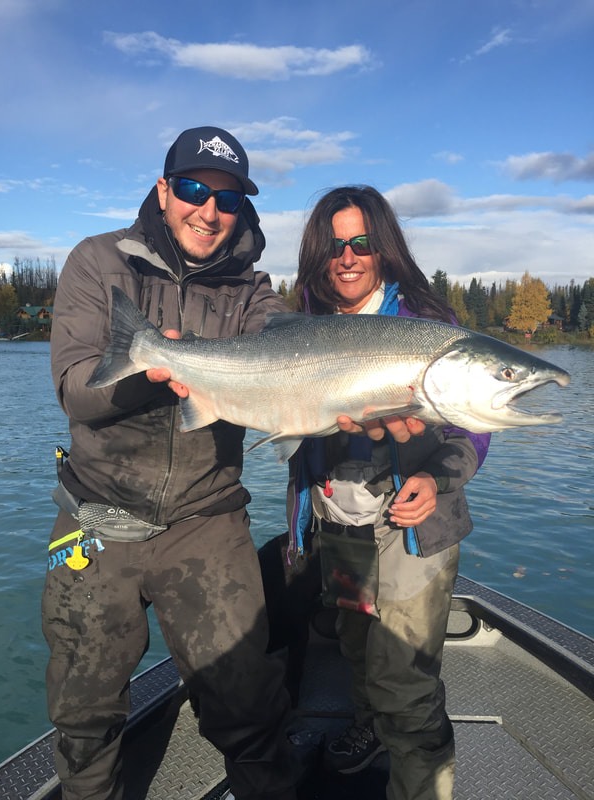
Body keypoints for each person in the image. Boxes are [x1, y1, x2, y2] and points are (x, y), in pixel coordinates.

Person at [42, 126, 304, 800]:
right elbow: (74, 387)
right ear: (164, 191)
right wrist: (154, 368)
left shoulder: (254, 292)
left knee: (249, 707)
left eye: (227, 200)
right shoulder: (97, 263)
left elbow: (285, 357)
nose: (208, 211)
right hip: (94, 520)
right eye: (193, 190)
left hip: (207, 519)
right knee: (83, 717)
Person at [286, 185, 491, 800]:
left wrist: (437, 480)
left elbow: (471, 432)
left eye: (362, 244)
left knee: (404, 681)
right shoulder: (301, 323)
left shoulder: (430, 326)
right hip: (337, 521)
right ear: (318, 253)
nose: (347, 258)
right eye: (334, 245)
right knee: (354, 649)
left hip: (411, 526)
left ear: (384, 248)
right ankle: (367, 728)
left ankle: (422, 778)